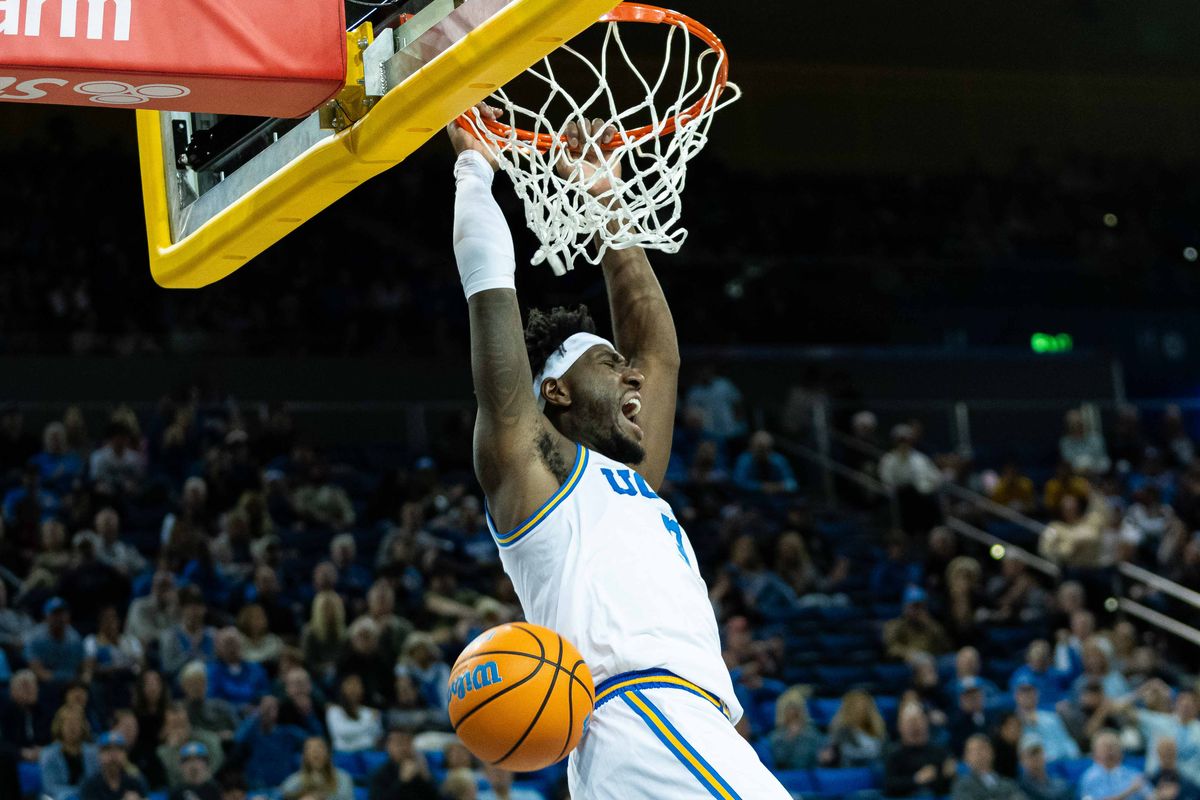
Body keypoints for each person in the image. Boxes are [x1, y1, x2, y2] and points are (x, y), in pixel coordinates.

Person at [446, 111, 788, 799]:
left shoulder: (632, 477)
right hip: (642, 717)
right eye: (610, 365)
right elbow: (491, 301)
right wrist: (474, 170)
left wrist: (607, 201)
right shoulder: (535, 469)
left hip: (678, 729)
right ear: (557, 392)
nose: (632, 376)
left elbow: (658, 352)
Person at [230, 695, 305, 791]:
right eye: (265, 708)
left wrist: (308, 715)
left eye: (272, 708)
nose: (267, 712)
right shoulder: (252, 733)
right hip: (257, 787)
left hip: (285, 787)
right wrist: (255, 716)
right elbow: (237, 739)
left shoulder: (287, 733)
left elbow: (313, 740)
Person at [883, 703, 956, 797]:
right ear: (900, 728)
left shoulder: (939, 751)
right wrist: (915, 780)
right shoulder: (894, 754)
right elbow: (889, 785)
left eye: (919, 722)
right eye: (910, 723)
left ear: (926, 725)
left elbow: (945, 787)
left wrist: (949, 775)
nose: (916, 727)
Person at [157, 702, 225, 790]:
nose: (179, 729)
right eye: (174, 724)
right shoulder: (162, 752)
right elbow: (176, 775)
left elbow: (218, 758)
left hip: (207, 789)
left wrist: (204, 774)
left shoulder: (206, 739)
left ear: (188, 722)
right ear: (166, 727)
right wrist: (173, 748)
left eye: (182, 723)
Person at [1012, 678, 1079, 763]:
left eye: (1031, 691)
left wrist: (1074, 759)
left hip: (1061, 762)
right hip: (1034, 766)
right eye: (1023, 691)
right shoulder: (1013, 722)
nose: (1027, 695)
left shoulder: (1051, 717)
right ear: (1016, 695)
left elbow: (1067, 742)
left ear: (1037, 694)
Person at [41, 704, 100, 800]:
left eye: (76, 722)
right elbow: (50, 787)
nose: (72, 727)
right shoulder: (48, 754)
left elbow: (97, 782)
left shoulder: (93, 753)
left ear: (83, 726)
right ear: (60, 726)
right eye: (67, 722)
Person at [25, 596, 85, 687]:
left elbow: (82, 667)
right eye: (55, 614)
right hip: (44, 685)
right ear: (46, 616)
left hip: (71, 685)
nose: (59, 618)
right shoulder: (35, 638)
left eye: (62, 614)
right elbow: (36, 670)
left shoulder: (75, 639)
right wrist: (58, 679)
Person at [883, 585, 953, 660]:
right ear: (905, 607)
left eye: (921, 606)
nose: (918, 611)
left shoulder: (931, 625)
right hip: (908, 662)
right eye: (914, 606)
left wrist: (930, 625)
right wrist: (910, 654)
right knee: (922, 661)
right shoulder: (894, 625)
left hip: (933, 660)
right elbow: (891, 649)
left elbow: (947, 647)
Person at [206, 627, 269, 709]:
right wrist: (240, 708)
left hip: (255, 713)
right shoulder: (212, 671)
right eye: (228, 643)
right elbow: (214, 700)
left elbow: (264, 692)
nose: (232, 648)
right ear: (217, 648)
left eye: (235, 642)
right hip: (226, 716)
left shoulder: (255, 669)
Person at [159, 587, 215, 679]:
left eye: (198, 607)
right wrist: (190, 654)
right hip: (180, 684)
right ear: (182, 609)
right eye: (190, 607)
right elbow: (167, 668)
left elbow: (216, 663)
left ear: (204, 610)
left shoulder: (212, 635)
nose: (194, 612)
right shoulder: (171, 636)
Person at [823, 689, 888, 768]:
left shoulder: (879, 731)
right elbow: (836, 756)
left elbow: (885, 754)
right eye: (856, 706)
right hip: (850, 773)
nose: (860, 709)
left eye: (863, 705)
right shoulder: (840, 732)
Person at [368, 728, 438, 800]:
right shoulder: (379, 773)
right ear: (388, 747)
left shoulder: (419, 770)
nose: (403, 748)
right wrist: (402, 781)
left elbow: (436, 797)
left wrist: (426, 778)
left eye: (407, 742)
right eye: (399, 743)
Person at [1078, 731, 1149, 800]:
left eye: (1114, 747)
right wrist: (1130, 790)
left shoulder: (1134, 774)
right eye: (1105, 747)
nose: (1110, 751)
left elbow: (1151, 796)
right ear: (1095, 753)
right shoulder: (1090, 777)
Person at [951, 734, 1026, 800]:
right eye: (972, 750)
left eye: (982, 747)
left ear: (992, 752)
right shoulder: (962, 785)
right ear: (966, 758)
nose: (978, 753)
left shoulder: (1008, 783)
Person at [280, 737, 354, 800]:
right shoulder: (293, 781)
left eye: (320, 748)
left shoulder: (343, 778)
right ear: (304, 757)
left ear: (328, 754)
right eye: (310, 750)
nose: (315, 752)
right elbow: (285, 791)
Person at [325, 673, 383, 753]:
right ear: (342, 688)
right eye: (350, 684)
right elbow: (343, 732)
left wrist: (353, 733)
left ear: (362, 689)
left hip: (367, 752)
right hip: (343, 754)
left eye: (357, 685)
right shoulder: (334, 711)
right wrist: (368, 724)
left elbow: (376, 737)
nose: (353, 689)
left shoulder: (369, 712)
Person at [769, 686, 823, 770]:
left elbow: (820, 752)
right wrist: (790, 739)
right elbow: (780, 759)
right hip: (788, 775)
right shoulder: (776, 735)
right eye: (789, 709)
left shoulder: (811, 731)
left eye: (796, 708)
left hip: (810, 773)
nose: (793, 712)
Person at [80, 732, 147, 800]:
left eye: (119, 750)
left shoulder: (135, 782)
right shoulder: (89, 785)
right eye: (107, 749)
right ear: (99, 755)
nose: (113, 755)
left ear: (125, 755)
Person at [731, 431, 798, 495]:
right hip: (751, 499)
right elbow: (738, 482)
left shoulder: (778, 460)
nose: (763, 452)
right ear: (751, 447)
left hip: (776, 500)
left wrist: (778, 487)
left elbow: (792, 484)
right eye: (759, 448)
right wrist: (761, 486)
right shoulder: (744, 460)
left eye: (767, 448)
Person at [125, 570, 179, 647]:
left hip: (163, 651)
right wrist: (170, 637)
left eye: (169, 587)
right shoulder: (139, 606)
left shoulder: (173, 608)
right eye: (161, 586)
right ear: (154, 588)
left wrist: (172, 610)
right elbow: (145, 635)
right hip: (137, 651)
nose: (165, 591)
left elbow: (181, 634)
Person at [1015, 735, 1071, 800]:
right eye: (1031, 754)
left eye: (1038, 752)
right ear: (1022, 760)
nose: (1036, 757)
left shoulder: (1060, 784)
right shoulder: (1020, 788)